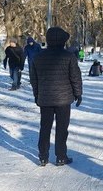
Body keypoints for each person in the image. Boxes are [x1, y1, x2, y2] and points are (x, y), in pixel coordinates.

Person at [30, 26, 83, 167]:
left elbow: (34, 80)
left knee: (45, 127)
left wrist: (37, 95)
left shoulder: (38, 57)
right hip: (63, 99)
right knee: (62, 129)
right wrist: (78, 93)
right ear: (62, 41)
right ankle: (61, 156)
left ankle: (43, 156)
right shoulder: (68, 57)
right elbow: (75, 77)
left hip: (45, 99)